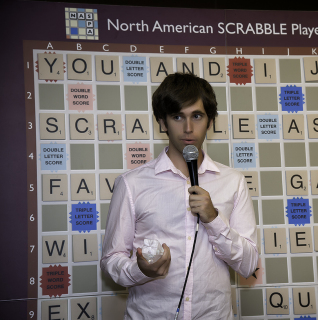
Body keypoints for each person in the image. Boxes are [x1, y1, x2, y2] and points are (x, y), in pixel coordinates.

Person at [101, 72, 258, 320]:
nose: (188, 128)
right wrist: (141, 270)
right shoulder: (131, 184)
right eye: (177, 117)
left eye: (197, 116)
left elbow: (248, 265)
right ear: (162, 122)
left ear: (209, 121)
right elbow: (111, 261)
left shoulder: (233, 182)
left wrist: (213, 218)